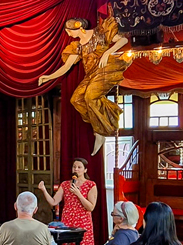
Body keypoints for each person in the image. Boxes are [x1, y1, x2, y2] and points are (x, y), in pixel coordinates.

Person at [38, 17, 130, 155]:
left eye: (69, 31)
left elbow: (123, 40)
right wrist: (48, 77)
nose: (69, 35)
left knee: (90, 96)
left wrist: (107, 52)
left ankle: (100, 132)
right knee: (76, 99)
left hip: (105, 70)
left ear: (78, 27)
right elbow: (66, 67)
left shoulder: (100, 33)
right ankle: (106, 117)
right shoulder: (77, 46)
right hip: (91, 75)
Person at [38, 158, 97, 245]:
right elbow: (54, 201)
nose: (76, 169)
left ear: (85, 170)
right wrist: (43, 190)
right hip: (68, 221)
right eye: (74, 167)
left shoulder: (90, 185)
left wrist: (78, 194)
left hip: (83, 222)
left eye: (79, 167)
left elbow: (91, 207)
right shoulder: (65, 184)